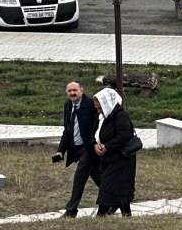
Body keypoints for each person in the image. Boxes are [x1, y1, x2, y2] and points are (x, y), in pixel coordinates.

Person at [55, 81, 100, 217]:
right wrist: (61, 150)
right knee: (99, 178)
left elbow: (96, 126)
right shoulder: (68, 105)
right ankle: (115, 199)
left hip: (89, 148)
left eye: (75, 90)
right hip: (77, 149)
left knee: (79, 178)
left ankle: (71, 210)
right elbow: (67, 130)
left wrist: (94, 143)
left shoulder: (91, 104)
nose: (72, 93)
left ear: (82, 91)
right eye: (69, 91)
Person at [92, 86, 137, 217]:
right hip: (111, 159)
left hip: (122, 160)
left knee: (110, 187)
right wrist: (97, 145)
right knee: (117, 189)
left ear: (106, 104)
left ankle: (101, 214)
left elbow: (124, 135)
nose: (98, 111)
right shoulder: (107, 117)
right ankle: (126, 214)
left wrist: (107, 146)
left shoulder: (120, 116)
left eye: (99, 107)